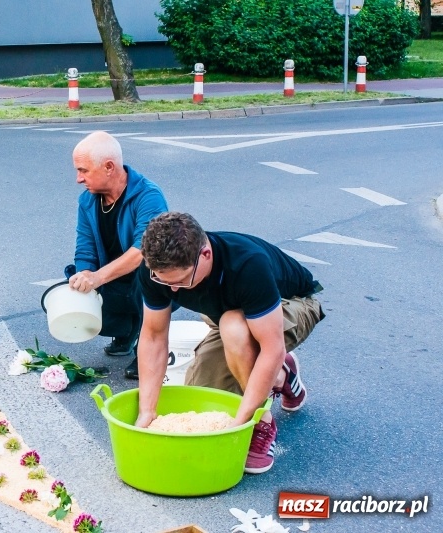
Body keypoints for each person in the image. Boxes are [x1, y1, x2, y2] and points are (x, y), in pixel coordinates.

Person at [134, 212, 325, 474]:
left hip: (292, 306)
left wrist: (243, 422)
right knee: (202, 397)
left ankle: (263, 422)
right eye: (162, 280)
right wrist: (147, 410)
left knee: (233, 326)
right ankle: (282, 375)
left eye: (180, 280)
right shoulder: (155, 269)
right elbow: (154, 336)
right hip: (227, 314)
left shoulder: (247, 264)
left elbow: (272, 348)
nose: (173, 289)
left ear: (205, 254)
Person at [67, 132, 168, 379]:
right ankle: (127, 329)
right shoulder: (87, 201)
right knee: (70, 288)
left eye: (83, 171)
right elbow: (85, 248)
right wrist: (84, 275)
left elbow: (143, 249)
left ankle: (148, 346)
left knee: (147, 273)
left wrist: (98, 278)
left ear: (109, 167)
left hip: (150, 282)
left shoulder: (148, 196)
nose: (78, 179)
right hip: (114, 280)